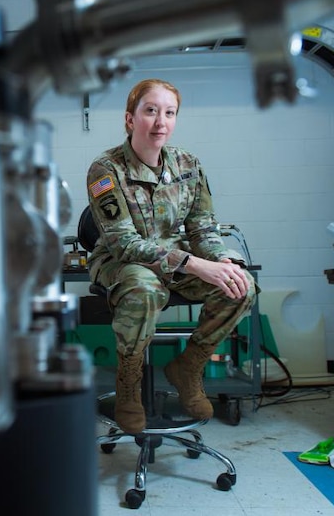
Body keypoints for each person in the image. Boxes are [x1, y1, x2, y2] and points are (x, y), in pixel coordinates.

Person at [86, 78, 257, 433]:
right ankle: (128, 384)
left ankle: (188, 367)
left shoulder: (188, 164)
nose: (160, 122)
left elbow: (203, 229)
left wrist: (221, 262)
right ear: (131, 119)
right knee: (145, 287)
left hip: (178, 260)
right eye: (150, 111)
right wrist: (195, 264)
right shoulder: (106, 170)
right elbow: (124, 244)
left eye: (169, 112)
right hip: (124, 263)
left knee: (241, 285)